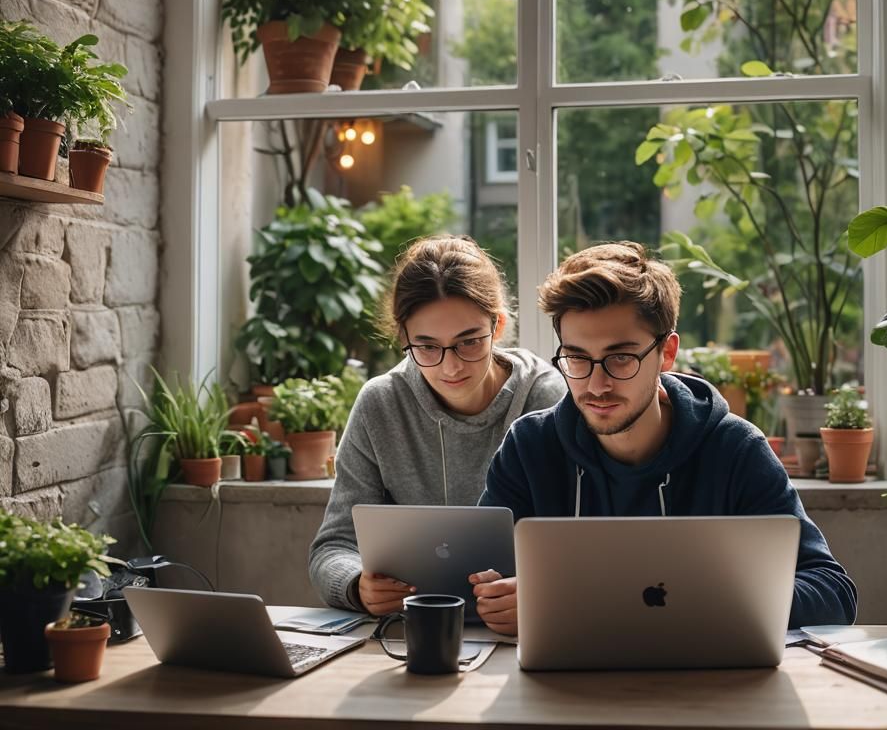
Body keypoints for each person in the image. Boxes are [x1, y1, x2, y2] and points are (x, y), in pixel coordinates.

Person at [470, 242, 857, 636]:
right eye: (578, 358)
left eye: (621, 358)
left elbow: (833, 594)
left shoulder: (735, 450)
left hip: (699, 673)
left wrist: (691, 600)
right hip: (559, 673)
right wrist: (498, 599)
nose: (596, 385)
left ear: (667, 353)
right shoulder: (529, 447)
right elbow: (471, 582)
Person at [309, 234, 565, 615]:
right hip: (411, 627)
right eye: (427, 347)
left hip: (523, 630)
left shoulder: (547, 399)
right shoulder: (380, 405)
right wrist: (356, 584)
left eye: (468, 342)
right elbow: (332, 547)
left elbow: (578, 542)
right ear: (404, 338)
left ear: (496, 326)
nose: (451, 366)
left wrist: (537, 593)